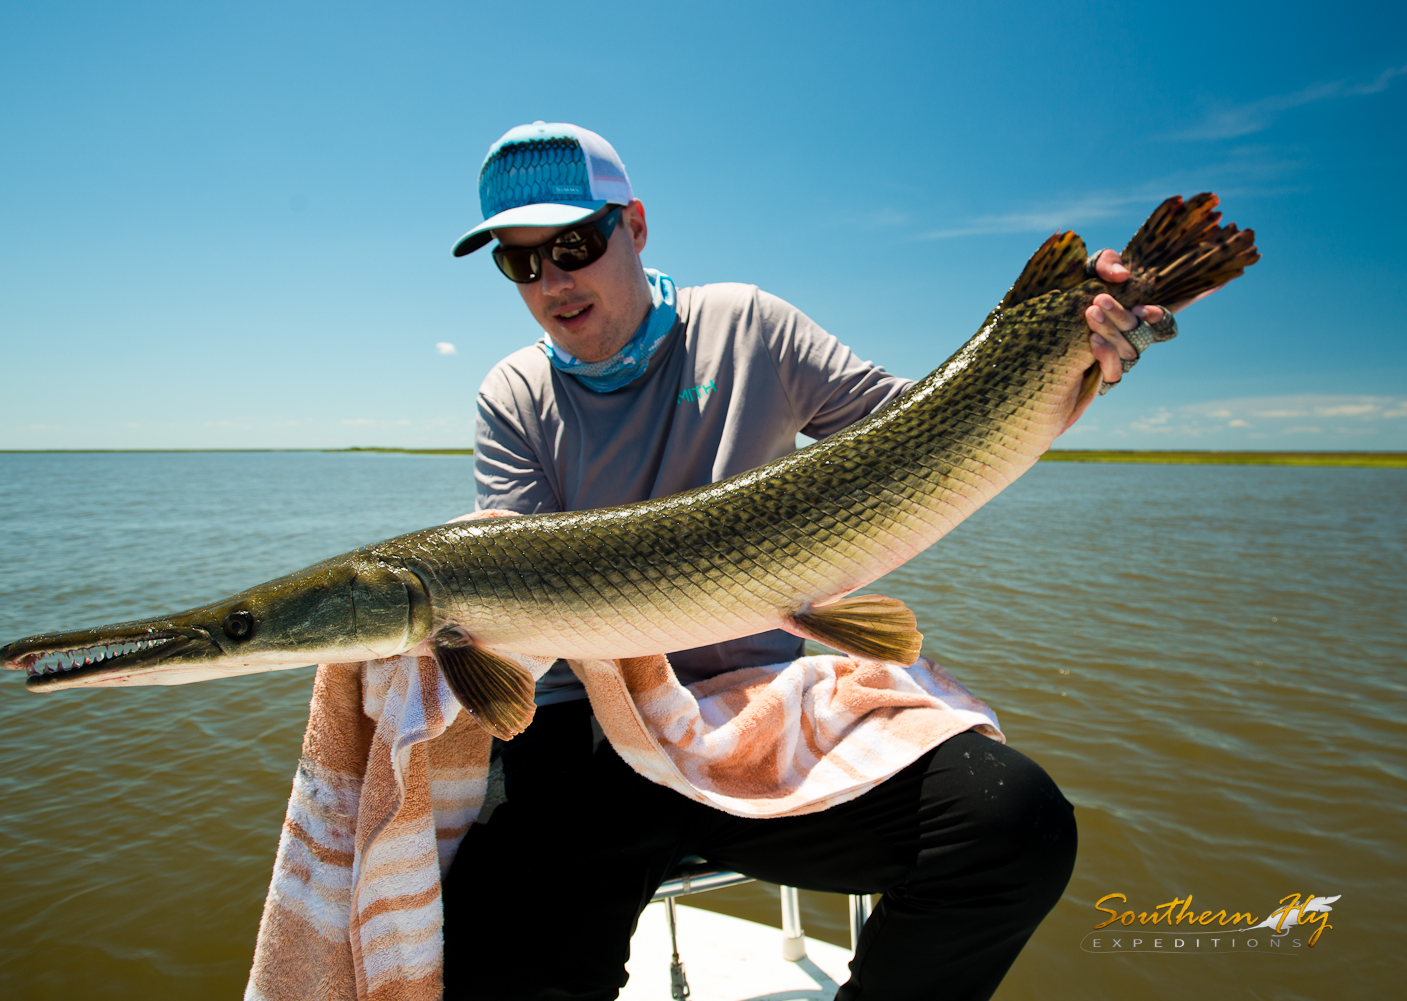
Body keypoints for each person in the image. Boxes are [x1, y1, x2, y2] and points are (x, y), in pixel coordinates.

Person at [440, 122, 1170, 1001]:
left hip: (758, 716)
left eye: (574, 244)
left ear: (632, 225)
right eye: (519, 262)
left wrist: (1074, 360)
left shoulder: (748, 324)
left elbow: (919, 435)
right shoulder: (515, 396)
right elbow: (528, 635)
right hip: (610, 740)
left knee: (1016, 827)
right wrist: (544, 813)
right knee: (488, 923)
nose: (553, 281)